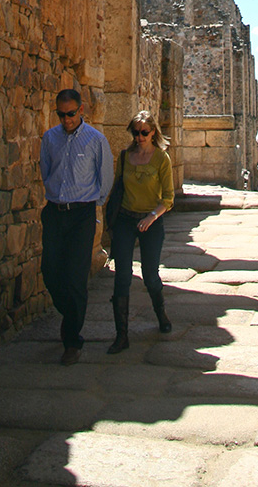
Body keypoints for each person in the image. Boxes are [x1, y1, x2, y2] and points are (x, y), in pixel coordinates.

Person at [40, 88, 114, 365]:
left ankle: (72, 339)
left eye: (71, 114)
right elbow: (46, 170)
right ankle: (71, 314)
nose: (67, 120)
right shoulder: (50, 138)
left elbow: (105, 177)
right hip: (55, 212)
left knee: (75, 276)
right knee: (50, 270)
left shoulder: (96, 140)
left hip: (82, 214)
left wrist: (94, 205)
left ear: (81, 110)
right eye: (61, 115)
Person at [107, 109, 175, 354]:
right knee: (122, 275)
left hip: (151, 221)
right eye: (135, 132)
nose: (139, 137)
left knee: (150, 276)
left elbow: (168, 198)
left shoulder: (161, 159)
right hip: (126, 219)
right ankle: (121, 335)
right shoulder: (125, 157)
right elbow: (118, 188)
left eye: (144, 132)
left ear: (153, 132)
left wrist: (152, 216)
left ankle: (161, 314)